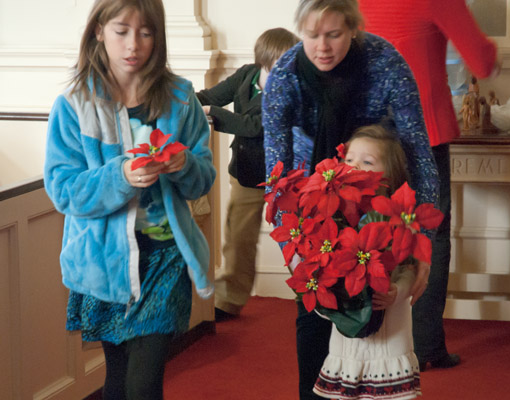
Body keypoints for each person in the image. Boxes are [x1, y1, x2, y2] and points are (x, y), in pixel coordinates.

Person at [261, 1, 438, 398]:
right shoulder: (286, 76)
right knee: (312, 311)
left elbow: (418, 152)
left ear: (354, 29)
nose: (321, 46)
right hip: (315, 200)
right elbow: (277, 174)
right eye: (311, 35)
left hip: (377, 197)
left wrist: (423, 247)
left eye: (334, 34)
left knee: (375, 309)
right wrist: (291, 244)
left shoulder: (385, 62)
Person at [43, 0, 216, 398]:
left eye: (146, 32)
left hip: (165, 257)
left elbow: (202, 179)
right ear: (99, 31)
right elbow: (63, 190)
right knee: (118, 380)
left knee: (143, 384)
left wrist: (184, 163)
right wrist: (120, 175)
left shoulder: (180, 97)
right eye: (122, 31)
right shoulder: (74, 105)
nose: (133, 45)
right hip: (105, 261)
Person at [358, 0, 500, 371]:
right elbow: (482, 61)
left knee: (372, 231)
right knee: (429, 236)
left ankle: (369, 338)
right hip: (425, 129)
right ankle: (425, 347)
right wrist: (493, 58)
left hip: (369, 133)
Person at [196, 28, 299, 320]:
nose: (286, 68)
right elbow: (208, 95)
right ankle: (228, 301)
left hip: (284, 178)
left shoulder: (289, 89)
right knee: (238, 237)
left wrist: (211, 111)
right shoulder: (246, 75)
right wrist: (183, 102)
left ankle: (312, 293)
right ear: (263, 60)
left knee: (297, 237)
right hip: (245, 173)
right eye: (279, 61)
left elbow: (252, 126)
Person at [314, 123, 421, 400]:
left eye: (367, 161)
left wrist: (398, 293)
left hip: (390, 332)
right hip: (347, 340)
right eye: (349, 159)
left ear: (390, 173)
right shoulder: (335, 215)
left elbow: (410, 268)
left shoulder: (400, 216)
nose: (354, 166)